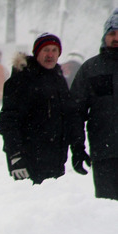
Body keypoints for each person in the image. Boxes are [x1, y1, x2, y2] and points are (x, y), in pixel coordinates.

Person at [0, 33, 80, 185]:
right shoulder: (21, 79)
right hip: (28, 161)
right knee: (30, 206)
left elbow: (69, 117)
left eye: (54, 50)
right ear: (37, 53)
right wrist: (15, 155)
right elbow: (8, 122)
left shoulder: (59, 79)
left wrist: (77, 148)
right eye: (46, 50)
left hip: (55, 161)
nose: (50, 55)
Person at [70, 8, 118, 200]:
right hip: (104, 155)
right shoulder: (90, 69)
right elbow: (75, 112)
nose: (116, 38)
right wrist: (77, 148)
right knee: (106, 213)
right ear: (104, 36)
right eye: (112, 33)